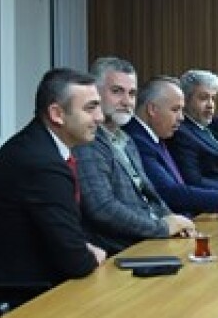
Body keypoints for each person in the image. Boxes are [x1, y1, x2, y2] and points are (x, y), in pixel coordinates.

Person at [0, 67, 105, 285]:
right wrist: (90, 255)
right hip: (23, 292)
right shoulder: (42, 164)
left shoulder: (38, 144)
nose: (100, 117)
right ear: (57, 114)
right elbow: (76, 262)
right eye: (90, 108)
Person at [74, 57, 195, 255]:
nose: (126, 101)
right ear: (94, 93)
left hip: (149, 241)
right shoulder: (87, 142)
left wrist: (176, 222)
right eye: (117, 91)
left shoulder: (127, 140)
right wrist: (163, 228)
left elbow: (151, 196)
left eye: (132, 93)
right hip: (121, 251)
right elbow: (103, 209)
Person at [126, 76, 218, 216]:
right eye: (175, 110)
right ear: (152, 109)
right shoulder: (137, 140)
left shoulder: (156, 134)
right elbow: (171, 193)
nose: (181, 117)